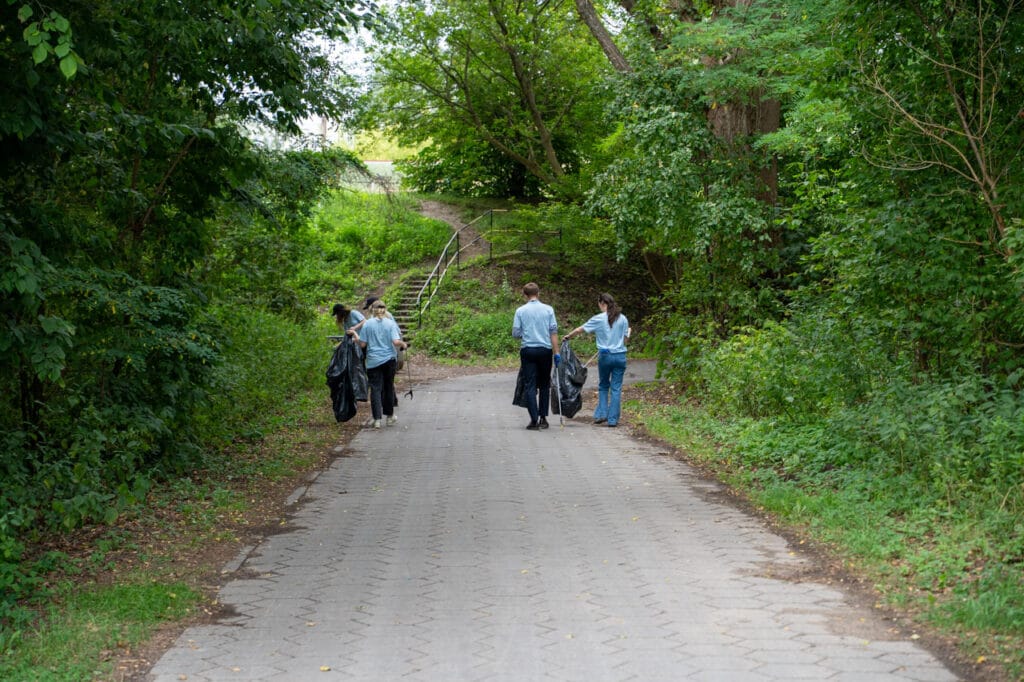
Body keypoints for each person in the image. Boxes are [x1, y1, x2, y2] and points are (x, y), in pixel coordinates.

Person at [564, 293, 629, 427]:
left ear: (601, 303)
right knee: (616, 388)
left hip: (605, 356)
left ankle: (602, 414)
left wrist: (568, 336)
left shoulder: (599, 319)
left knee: (604, 385)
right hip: (620, 356)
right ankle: (612, 420)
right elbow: (625, 341)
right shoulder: (623, 318)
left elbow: (580, 329)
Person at [348, 300, 407, 429]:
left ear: (372, 310)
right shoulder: (390, 324)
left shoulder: (367, 325)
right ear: (384, 310)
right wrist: (403, 344)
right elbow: (396, 342)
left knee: (375, 389)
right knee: (388, 387)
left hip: (373, 361)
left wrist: (355, 335)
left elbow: (363, 344)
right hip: (389, 360)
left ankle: (377, 420)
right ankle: (390, 417)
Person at [512, 282, 559, 431]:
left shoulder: (520, 311)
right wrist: (556, 352)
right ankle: (543, 418)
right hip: (545, 350)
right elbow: (553, 332)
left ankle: (533, 420)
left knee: (530, 385)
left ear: (525, 295)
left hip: (528, 350)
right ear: (538, 293)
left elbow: (515, 333)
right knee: (544, 384)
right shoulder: (548, 310)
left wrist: (527, 332)